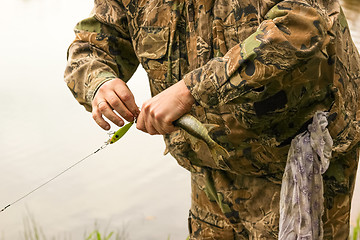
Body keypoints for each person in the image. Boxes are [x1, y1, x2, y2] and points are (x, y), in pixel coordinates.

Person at [64, 0, 360, 239]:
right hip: (210, 167)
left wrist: (189, 91)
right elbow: (92, 44)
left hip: (300, 162)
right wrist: (100, 82)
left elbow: (303, 22)